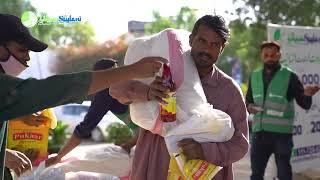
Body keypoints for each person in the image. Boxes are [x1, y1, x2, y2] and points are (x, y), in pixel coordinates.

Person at [0, 13, 165, 179]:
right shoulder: (107, 93)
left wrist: (5, 151)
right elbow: (53, 91)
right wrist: (131, 70)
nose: (27, 58)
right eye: (21, 50)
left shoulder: (138, 86)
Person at [110, 15, 249, 180]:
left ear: (222, 48)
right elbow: (115, 89)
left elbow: (240, 145)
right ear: (191, 39)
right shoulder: (161, 65)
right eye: (202, 41)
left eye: (214, 44)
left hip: (203, 173)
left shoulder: (229, 90)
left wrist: (203, 150)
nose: (206, 49)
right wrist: (147, 92)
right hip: (156, 166)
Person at [246, 41, 320, 180]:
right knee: (256, 175)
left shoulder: (290, 76)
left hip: (281, 136)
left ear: (279, 55)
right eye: (266, 55)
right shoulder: (254, 76)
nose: (269, 58)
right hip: (259, 134)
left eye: (273, 55)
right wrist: (249, 107)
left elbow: (303, 103)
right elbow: (248, 100)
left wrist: (308, 95)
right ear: (261, 56)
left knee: (284, 174)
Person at [45, 58, 139, 167]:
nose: (119, 77)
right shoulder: (105, 96)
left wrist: (129, 145)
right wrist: (59, 156)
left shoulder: (133, 80)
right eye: (113, 72)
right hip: (149, 133)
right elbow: (83, 129)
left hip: (151, 132)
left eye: (118, 71)